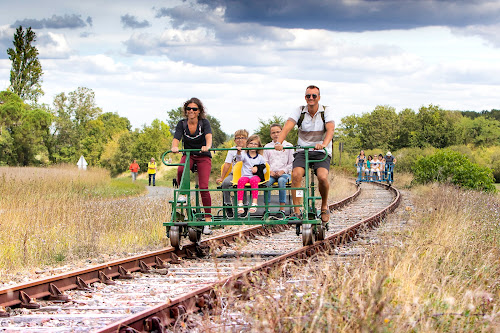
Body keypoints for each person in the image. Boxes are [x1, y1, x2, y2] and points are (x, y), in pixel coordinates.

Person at [275, 85, 335, 223]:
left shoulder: (326, 111)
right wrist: (279, 142)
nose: (311, 98)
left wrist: (324, 144)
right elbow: (287, 127)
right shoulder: (300, 111)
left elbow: (330, 130)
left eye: (314, 96)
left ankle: (324, 206)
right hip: (303, 150)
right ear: (305, 98)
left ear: (319, 97)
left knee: (322, 176)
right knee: (295, 175)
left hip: (321, 151)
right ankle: (297, 210)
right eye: (308, 96)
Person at [171, 97, 213, 234]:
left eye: (194, 109)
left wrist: (207, 147)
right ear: (185, 110)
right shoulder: (182, 124)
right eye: (189, 109)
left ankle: (208, 219)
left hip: (203, 156)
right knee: (181, 169)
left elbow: (208, 137)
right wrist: (175, 147)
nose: (191, 111)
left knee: (203, 187)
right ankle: (182, 194)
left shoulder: (204, 123)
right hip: (189, 154)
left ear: (199, 111)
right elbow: (176, 138)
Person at [215, 129, 249, 217]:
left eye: (242, 138)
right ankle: (228, 205)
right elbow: (227, 164)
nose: (240, 140)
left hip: (246, 174)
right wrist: (222, 177)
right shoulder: (232, 150)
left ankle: (244, 206)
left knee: (242, 183)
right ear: (234, 140)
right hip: (234, 174)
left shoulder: (249, 149)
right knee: (225, 183)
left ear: (246, 139)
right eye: (238, 138)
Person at [263, 123, 294, 213]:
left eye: (278, 132)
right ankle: (267, 209)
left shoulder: (289, 146)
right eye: (273, 133)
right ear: (270, 135)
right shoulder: (267, 147)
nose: (276, 134)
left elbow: (292, 162)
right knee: (267, 182)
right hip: (272, 173)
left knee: (281, 181)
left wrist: (283, 171)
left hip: (285, 174)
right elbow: (264, 163)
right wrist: (270, 171)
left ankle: (282, 209)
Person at [235, 135, 266, 216]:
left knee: (254, 180)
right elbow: (239, 158)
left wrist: (257, 169)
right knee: (241, 181)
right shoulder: (244, 155)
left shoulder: (260, 157)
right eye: (251, 143)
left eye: (255, 144)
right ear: (247, 145)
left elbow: (265, 169)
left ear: (258, 146)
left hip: (255, 176)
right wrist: (238, 152)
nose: (253, 145)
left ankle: (254, 203)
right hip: (246, 176)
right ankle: (240, 204)